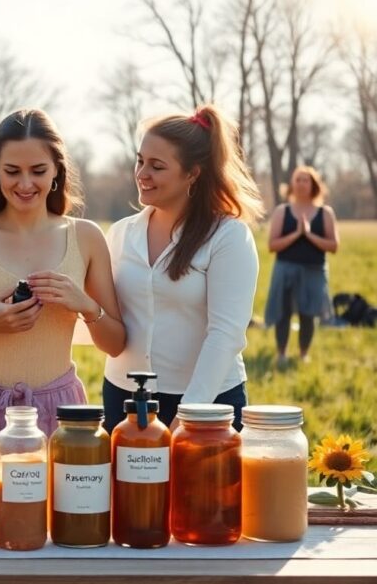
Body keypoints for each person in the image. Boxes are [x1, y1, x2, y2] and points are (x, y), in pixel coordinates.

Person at [0, 109, 126, 452]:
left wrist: (85, 305)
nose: (25, 184)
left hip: (60, 413)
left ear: (57, 169)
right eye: (12, 171)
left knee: (59, 508)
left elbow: (116, 343)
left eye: (38, 171)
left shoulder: (86, 238)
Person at [102, 105, 264, 433]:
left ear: (192, 173)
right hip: (124, 398)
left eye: (157, 166)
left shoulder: (228, 236)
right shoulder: (120, 233)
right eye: (140, 160)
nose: (142, 173)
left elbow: (226, 334)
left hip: (207, 404)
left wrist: (189, 414)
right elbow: (109, 317)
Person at [263, 165, 339, 365]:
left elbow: (333, 246)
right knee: (283, 313)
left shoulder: (325, 213)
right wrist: (297, 234)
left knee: (308, 314)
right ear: (291, 185)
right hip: (285, 270)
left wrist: (309, 234)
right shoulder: (282, 211)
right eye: (298, 179)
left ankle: (304, 353)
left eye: (306, 180)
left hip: (314, 271)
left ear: (313, 185)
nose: (301, 183)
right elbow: (272, 245)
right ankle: (281, 354)